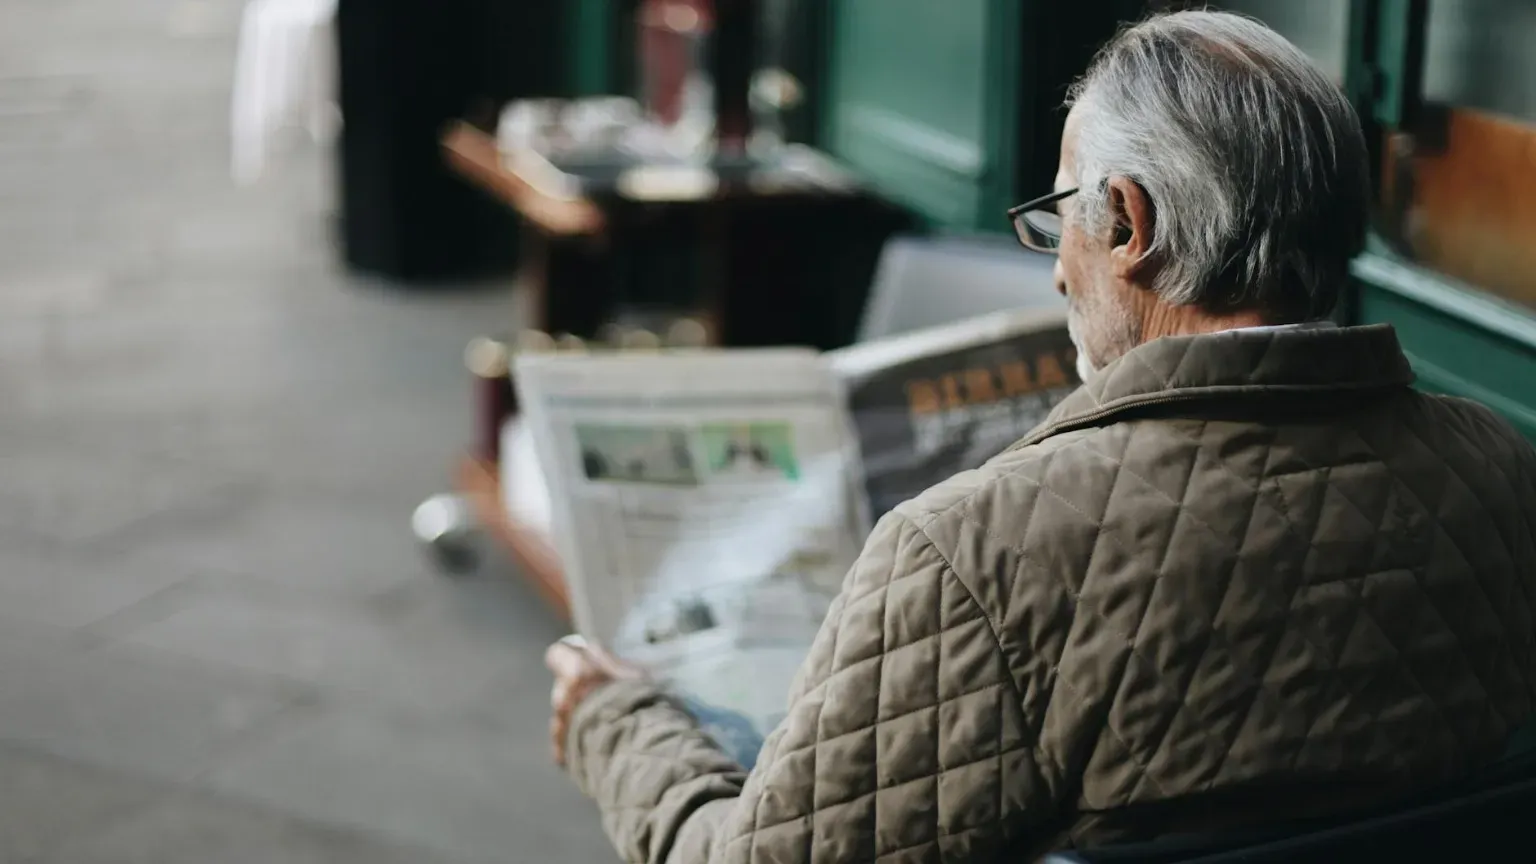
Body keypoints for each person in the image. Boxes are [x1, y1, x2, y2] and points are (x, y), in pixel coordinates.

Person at [545, 10, 1536, 862]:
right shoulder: (1502, 469)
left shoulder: (974, 556)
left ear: (1129, 227)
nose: (1058, 272)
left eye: (1062, 213)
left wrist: (614, 722)